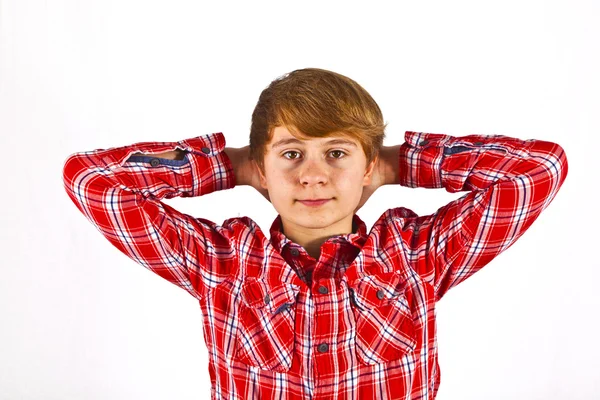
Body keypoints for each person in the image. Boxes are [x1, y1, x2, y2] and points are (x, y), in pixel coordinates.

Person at [61, 67, 569, 399]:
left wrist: (396, 164)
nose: (313, 174)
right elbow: (92, 182)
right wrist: (231, 165)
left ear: (367, 165)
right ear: (261, 168)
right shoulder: (219, 262)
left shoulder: (417, 255)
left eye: (337, 153)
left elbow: (538, 171)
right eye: (290, 154)